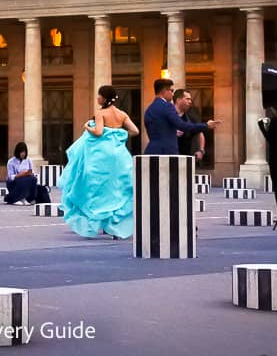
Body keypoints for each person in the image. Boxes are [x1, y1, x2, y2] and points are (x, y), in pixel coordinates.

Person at [60, 85, 139, 238]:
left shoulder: (100, 113)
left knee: (97, 189)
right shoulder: (121, 114)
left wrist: (87, 127)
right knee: (118, 189)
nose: (97, 98)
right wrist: (118, 134)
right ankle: (115, 226)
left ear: (104, 98)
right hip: (120, 155)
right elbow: (135, 131)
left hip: (101, 156)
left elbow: (99, 132)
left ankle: (95, 222)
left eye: (99, 95)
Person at [143, 78, 220, 154]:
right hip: (168, 153)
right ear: (164, 91)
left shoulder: (149, 110)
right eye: (171, 90)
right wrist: (206, 125)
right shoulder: (168, 106)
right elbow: (182, 125)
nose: (173, 94)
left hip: (151, 152)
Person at [174, 89, 206, 163]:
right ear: (178, 100)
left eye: (190, 99)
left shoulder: (191, 116)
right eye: (187, 99)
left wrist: (201, 150)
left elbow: (200, 133)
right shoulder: (169, 114)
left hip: (186, 157)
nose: (190, 102)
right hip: (169, 156)